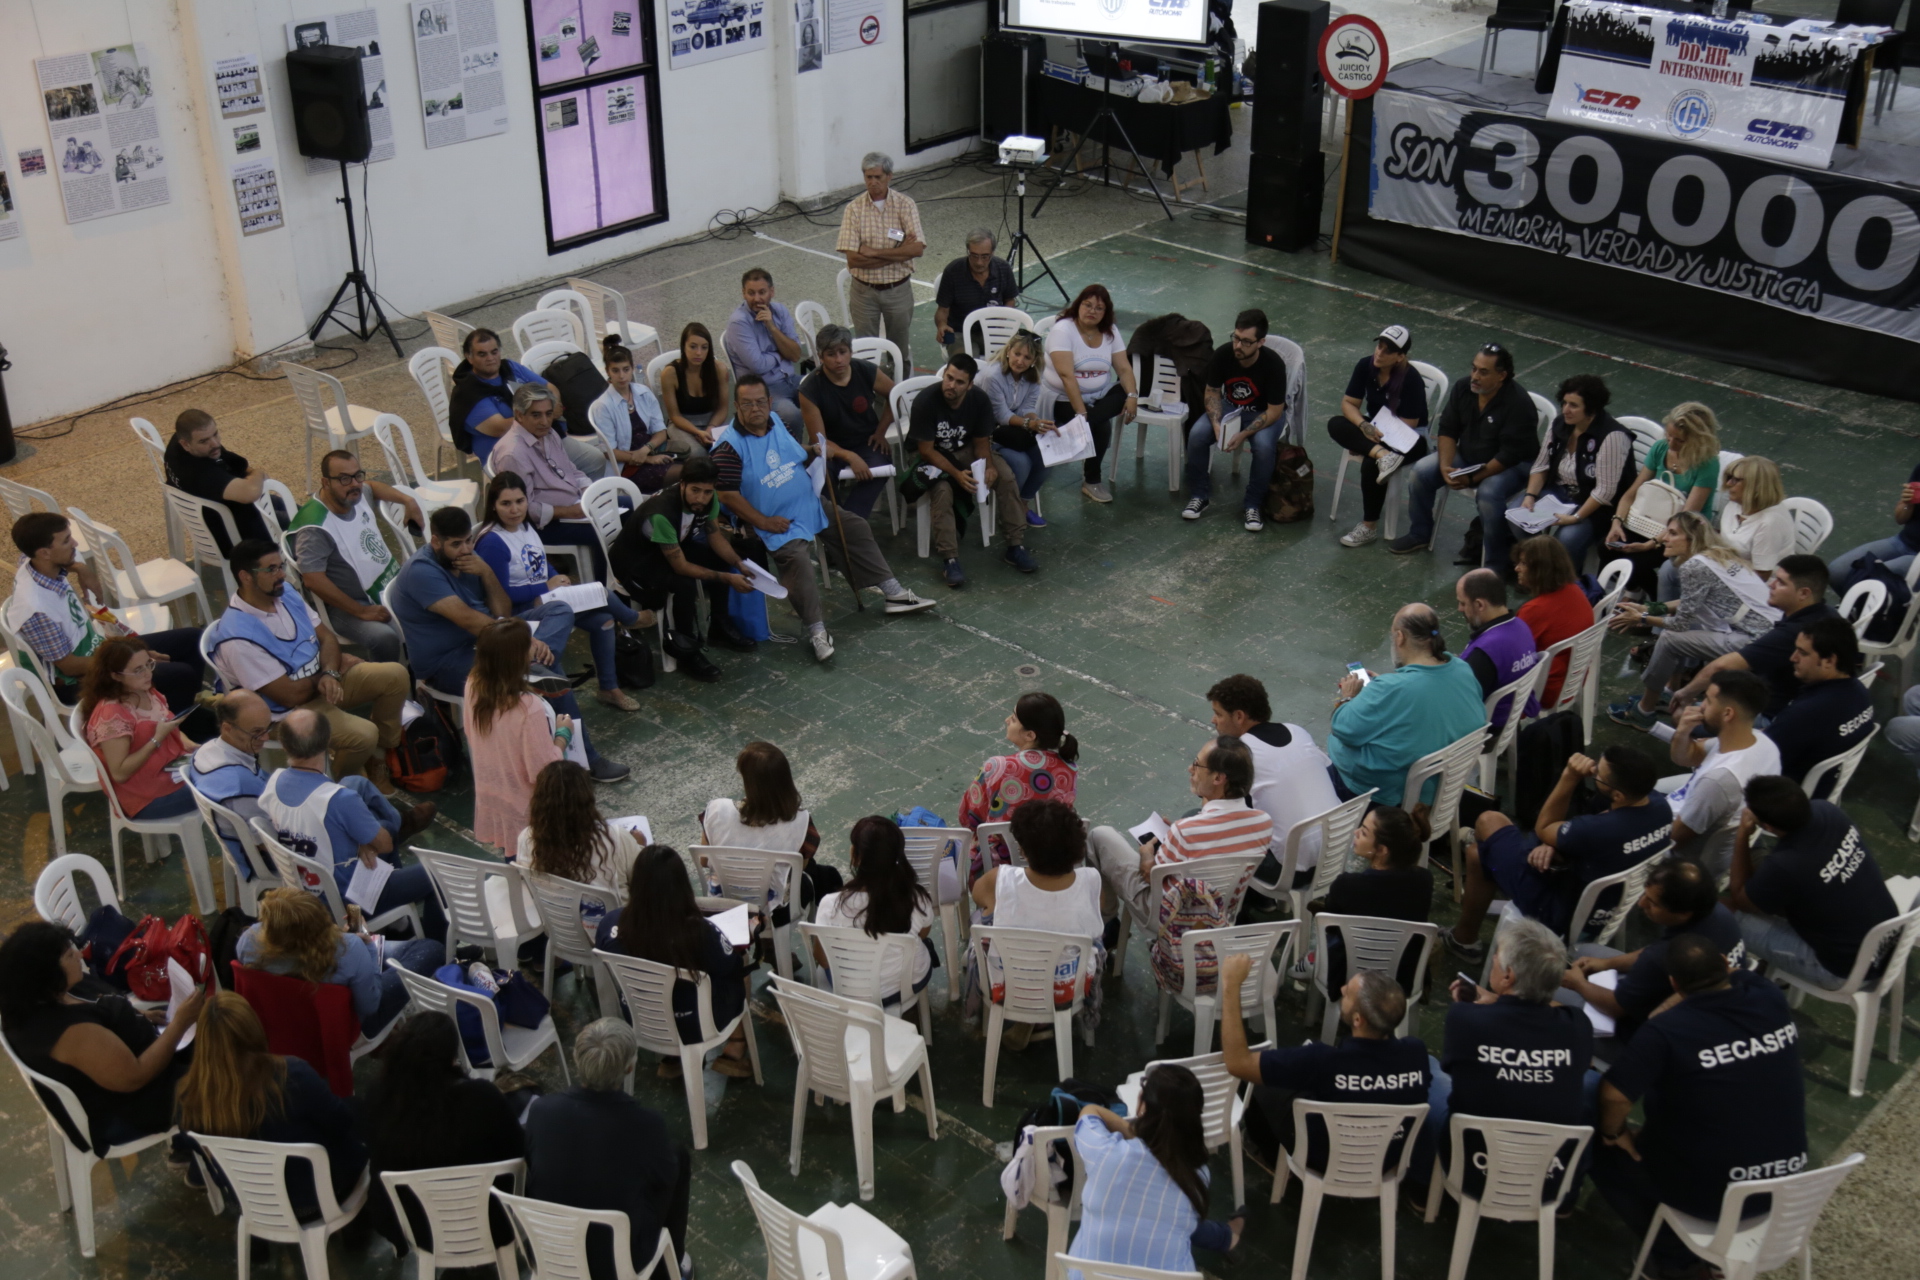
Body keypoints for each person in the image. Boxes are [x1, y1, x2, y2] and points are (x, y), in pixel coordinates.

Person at [1592, 935, 1807, 1279]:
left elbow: (1614, 1096)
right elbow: (1737, 973)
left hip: (1713, 1200)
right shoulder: (1767, 996)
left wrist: (1613, 1133)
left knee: (1598, 1143)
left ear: (1674, 984)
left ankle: (1673, 1257)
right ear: (1724, 962)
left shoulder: (1665, 1032)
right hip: (1790, 1190)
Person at [390, 508, 626, 782]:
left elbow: (501, 613)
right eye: (456, 544)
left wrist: (487, 573)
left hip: (489, 641)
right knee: (555, 679)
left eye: (468, 541)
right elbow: (469, 621)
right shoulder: (422, 572)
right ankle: (586, 761)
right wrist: (520, 642)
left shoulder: (470, 559)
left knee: (559, 610)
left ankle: (534, 666)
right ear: (435, 542)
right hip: (447, 661)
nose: (465, 549)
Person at [713, 376, 934, 660]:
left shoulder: (777, 422)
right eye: (747, 404)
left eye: (759, 402)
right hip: (776, 522)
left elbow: (794, 454)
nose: (755, 409)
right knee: (798, 561)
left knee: (854, 526)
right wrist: (764, 522)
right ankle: (816, 630)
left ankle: (893, 593)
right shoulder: (728, 448)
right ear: (736, 406)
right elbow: (727, 496)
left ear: (769, 402)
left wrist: (814, 450)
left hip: (809, 503)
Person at [205, 538, 409, 789]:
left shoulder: (285, 593)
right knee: (363, 734)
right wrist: (329, 672)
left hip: (320, 681)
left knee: (395, 675)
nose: (281, 574)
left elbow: (327, 638)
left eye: (281, 566)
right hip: (285, 712)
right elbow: (289, 696)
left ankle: (377, 757)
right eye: (271, 569)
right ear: (245, 577)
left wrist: (331, 672)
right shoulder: (237, 639)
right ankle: (340, 786)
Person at [1448, 747, 1671, 963]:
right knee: (1477, 853)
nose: (1593, 772)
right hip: (1607, 905)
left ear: (1618, 795)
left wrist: (1570, 776)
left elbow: (1543, 828)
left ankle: (1465, 938)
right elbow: (1594, 830)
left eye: (1599, 775)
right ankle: (1463, 938)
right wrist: (1556, 842)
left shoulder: (1595, 830)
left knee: (1488, 822)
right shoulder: (1661, 808)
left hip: (1558, 911)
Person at [0, 920, 204, 1152]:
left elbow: (97, 1007)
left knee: (215, 1034)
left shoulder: (52, 992)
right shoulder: (70, 1033)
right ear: (46, 974)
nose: (79, 955)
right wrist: (179, 1024)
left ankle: (188, 1145)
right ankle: (206, 1155)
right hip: (136, 1104)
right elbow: (134, 1077)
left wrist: (141, 1015)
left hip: (138, 1055)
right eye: (69, 955)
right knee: (225, 1080)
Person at [1418, 919, 1592, 1192]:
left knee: (1425, 1068)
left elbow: (1456, 1074)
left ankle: (1421, 1186)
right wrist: (1499, 1000)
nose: (1494, 958)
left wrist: (1487, 1005)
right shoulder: (1577, 1025)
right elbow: (1549, 1010)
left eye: (1497, 955)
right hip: (1547, 1173)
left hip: (1474, 1165)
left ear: (1508, 976)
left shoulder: (1466, 1019)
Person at [1220, 954, 1429, 1172]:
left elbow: (1238, 1063)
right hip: (1386, 1159)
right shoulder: (1416, 1053)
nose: (1342, 990)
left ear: (1358, 1019)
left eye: (1348, 993)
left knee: (1257, 1083)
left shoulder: (1323, 1061)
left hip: (1328, 1160)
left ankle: (1269, 1155)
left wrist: (1231, 985)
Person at [524, 1017, 694, 1280]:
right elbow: (664, 1180)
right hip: (618, 1260)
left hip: (548, 1247)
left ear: (577, 1059)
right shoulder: (646, 1124)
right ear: (629, 1068)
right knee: (677, 1158)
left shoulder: (541, 1111)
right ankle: (672, 1264)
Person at [176, 990, 366, 1215]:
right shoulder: (292, 1076)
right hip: (320, 1198)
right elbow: (341, 1123)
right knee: (360, 1109)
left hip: (250, 1201)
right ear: (253, 1028)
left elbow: (198, 1149)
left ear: (203, 1040)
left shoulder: (188, 1094)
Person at [260, 708, 444, 939]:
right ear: (328, 742)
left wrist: (360, 842)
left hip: (308, 891)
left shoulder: (273, 782)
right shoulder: (339, 799)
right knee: (439, 872)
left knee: (360, 790)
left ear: (284, 746)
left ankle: (399, 925)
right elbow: (385, 845)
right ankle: (437, 948)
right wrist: (365, 840)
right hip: (351, 905)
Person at [474, 470, 644, 712]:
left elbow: (541, 564)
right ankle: (632, 619)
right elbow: (501, 598)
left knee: (604, 620)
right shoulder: (492, 542)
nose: (515, 510)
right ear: (493, 505)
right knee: (602, 594)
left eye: (520, 501)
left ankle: (608, 688)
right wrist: (545, 586)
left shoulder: (525, 527)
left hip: (546, 600)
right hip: (521, 613)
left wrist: (557, 578)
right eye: (506, 504)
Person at [362, 1012, 526, 1256]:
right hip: (492, 1224)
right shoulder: (481, 1098)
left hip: (418, 1228)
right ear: (450, 1058)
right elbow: (518, 1153)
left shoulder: (378, 1097)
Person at [8, 512, 208, 712]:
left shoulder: (33, 561)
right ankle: (175, 722)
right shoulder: (36, 610)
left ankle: (184, 705)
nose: (75, 543)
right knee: (181, 674)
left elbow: (42, 555)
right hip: (75, 682)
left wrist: (81, 569)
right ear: (44, 553)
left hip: (98, 651)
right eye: (66, 541)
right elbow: (69, 667)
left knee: (194, 639)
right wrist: (135, 660)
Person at [1726, 775, 1898, 990]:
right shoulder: (1828, 810)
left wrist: (1743, 833)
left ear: (1768, 827)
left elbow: (1740, 898)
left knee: (1723, 911)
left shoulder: (1785, 864)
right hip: (1889, 941)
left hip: (1844, 971)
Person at [596, 846, 755, 1079]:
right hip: (695, 1025)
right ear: (682, 887)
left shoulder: (610, 923)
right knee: (741, 964)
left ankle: (673, 1058)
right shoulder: (700, 932)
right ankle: (737, 1045)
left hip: (641, 1019)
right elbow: (731, 968)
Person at [1605, 513, 1774, 731]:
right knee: (1680, 633)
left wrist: (1642, 618)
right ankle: (1669, 693)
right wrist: (1650, 608)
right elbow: (1690, 603)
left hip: (1753, 641)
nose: (1665, 538)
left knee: (1669, 638)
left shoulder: (1694, 567)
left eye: (1673, 533)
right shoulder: (1719, 555)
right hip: (1768, 634)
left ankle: (1644, 711)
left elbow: (1680, 624)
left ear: (1692, 538)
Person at [1068, 1065, 1242, 1274]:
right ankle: (1230, 1235)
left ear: (1142, 1104)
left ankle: (1228, 1235)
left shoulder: (1106, 1152)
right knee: (1179, 1223)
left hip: (1087, 1276)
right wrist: (1159, 1146)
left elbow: (1089, 1111)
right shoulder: (1198, 1176)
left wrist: (1138, 1136)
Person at [1088, 736, 1273, 923]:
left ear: (1218, 778)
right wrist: (1174, 839)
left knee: (1099, 835)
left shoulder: (1186, 830)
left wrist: (1147, 856)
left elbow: (1151, 877)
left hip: (1172, 919)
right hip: (1222, 911)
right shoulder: (1263, 823)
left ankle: (1107, 921)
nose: (1190, 769)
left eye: (1197, 765)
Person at [1560, 859, 1745, 1044]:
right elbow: (1655, 950)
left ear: (1683, 913)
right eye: (1645, 894)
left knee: (1553, 989)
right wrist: (1606, 964)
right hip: (1700, 1007)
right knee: (1585, 950)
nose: (1641, 904)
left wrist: (1577, 983)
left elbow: (1616, 1007)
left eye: (1653, 903)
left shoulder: (1662, 957)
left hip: (1650, 1034)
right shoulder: (1717, 913)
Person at [608, 455, 758, 681]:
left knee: (721, 560)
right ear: (683, 484)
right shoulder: (661, 514)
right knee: (684, 584)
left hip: (668, 550)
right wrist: (727, 578)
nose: (701, 498)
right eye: (695, 490)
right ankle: (687, 651)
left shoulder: (709, 500)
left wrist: (738, 563)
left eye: (707, 492)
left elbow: (715, 537)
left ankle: (719, 625)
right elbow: (680, 567)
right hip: (636, 565)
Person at [1390, 342, 1538, 569]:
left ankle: (1495, 563)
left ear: (1502, 376)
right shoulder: (1463, 388)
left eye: (1484, 372)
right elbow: (1448, 430)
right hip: (1471, 455)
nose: (1475, 376)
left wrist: (1473, 478)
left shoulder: (1518, 403)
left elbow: (1509, 455)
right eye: (1474, 368)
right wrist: (1445, 467)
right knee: (1421, 472)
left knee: (1488, 494)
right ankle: (1420, 533)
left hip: (1511, 465)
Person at [1327, 603, 1487, 806]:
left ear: (1400, 637)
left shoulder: (1392, 689)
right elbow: (1423, 696)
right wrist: (1385, 686)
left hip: (1380, 793)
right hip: (1442, 784)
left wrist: (1348, 696)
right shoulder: (1462, 668)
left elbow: (1343, 728)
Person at [236, 886, 441, 1037]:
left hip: (282, 1019)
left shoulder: (249, 941)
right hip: (351, 1025)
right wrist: (369, 946)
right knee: (431, 949)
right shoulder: (348, 949)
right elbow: (370, 1005)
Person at [970, 798, 1105, 1026]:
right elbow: (1097, 911)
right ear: (1077, 847)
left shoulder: (1000, 879)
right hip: (1067, 992)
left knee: (981, 917)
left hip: (1008, 989)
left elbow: (977, 896)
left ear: (1023, 850)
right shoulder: (1092, 881)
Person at [909, 353, 1035, 586]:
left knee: (1005, 476)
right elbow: (926, 451)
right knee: (943, 491)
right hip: (933, 455)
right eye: (949, 378)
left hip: (966, 449)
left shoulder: (979, 400)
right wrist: (957, 474)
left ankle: (1015, 545)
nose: (951, 385)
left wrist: (989, 466)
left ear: (969, 385)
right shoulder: (925, 402)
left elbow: (981, 442)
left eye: (959, 382)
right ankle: (950, 559)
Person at [1664, 555, 1836, 724]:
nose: (1771, 585)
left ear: (1804, 593)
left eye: (1781, 582)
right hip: (1796, 701)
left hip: (1773, 715)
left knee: (1682, 716)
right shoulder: (1827, 613)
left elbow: (1722, 666)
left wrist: (1684, 694)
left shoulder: (1794, 632)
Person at [1205, 674, 1340, 888]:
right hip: (1336, 851)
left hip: (1290, 871)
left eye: (1218, 714)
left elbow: (1226, 817)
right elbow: (1331, 776)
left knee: (1207, 827)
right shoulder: (1297, 731)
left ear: (1239, 716)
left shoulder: (1241, 755)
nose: (1214, 720)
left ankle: (1248, 901)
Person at [288, 449, 422, 663]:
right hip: (345, 606)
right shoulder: (315, 528)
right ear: (325, 482)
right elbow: (313, 579)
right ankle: (389, 681)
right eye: (344, 478)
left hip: (387, 586)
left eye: (358, 475)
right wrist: (360, 611)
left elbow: (372, 487)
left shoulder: (354, 495)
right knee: (385, 637)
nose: (354, 484)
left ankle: (421, 672)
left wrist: (408, 500)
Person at [699, 740, 843, 924]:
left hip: (723, 901)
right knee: (824, 875)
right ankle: (818, 931)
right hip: (773, 909)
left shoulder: (716, 811)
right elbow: (801, 867)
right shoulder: (800, 821)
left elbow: (704, 861)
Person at [1661, 670, 1781, 876]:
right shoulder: (1761, 742)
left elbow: (1673, 840)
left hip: (1681, 859)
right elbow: (1686, 757)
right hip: (1693, 807)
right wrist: (1682, 732)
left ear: (1727, 714)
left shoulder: (1718, 782)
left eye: (1708, 700)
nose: (1701, 706)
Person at [1511, 374, 1636, 569]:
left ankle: (1565, 580)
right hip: (1559, 492)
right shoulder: (1561, 424)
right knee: (1516, 516)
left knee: (1566, 540)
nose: (1565, 410)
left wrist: (1576, 518)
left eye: (1574, 405)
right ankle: (1539, 570)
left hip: (1594, 505)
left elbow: (1605, 491)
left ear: (1591, 408)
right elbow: (1541, 465)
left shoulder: (1612, 436)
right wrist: (1530, 495)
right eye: (1564, 403)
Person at [1180, 308, 1290, 531]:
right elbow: (1212, 391)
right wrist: (1216, 425)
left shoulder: (1274, 364)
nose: (1238, 346)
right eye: (1236, 338)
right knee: (1197, 434)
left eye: (1246, 342)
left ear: (1260, 342)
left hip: (1264, 412)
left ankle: (1253, 504)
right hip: (1230, 407)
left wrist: (1243, 434)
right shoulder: (1223, 354)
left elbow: (1275, 411)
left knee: (1264, 447)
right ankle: (1199, 495)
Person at [811, 816, 934, 1005]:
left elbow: (823, 959)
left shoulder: (830, 905)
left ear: (855, 856)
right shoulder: (917, 899)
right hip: (906, 985)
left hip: (850, 990)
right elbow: (923, 934)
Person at [1605, 402, 1722, 597]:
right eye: (1669, 436)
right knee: (1607, 549)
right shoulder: (1660, 448)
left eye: (1680, 441)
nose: (1671, 444)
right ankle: (1634, 589)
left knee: (1637, 563)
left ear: (1697, 440)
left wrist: (1650, 544)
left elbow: (1685, 517)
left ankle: (1655, 603)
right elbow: (1632, 492)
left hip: (1685, 531)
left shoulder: (1707, 464)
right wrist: (1616, 522)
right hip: (1651, 520)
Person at [1329, 324, 1431, 548]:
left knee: (1370, 464)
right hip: (1376, 427)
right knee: (1336, 424)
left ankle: (1369, 527)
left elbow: (1409, 424)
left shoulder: (1411, 379)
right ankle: (1383, 456)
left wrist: (1368, 441)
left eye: (1387, 350)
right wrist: (1364, 426)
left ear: (1400, 356)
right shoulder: (1365, 365)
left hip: (1409, 436)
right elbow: (1349, 403)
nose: (1379, 353)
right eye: (1379, 346)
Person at [487, 384, 609, 570]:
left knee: (628, 507)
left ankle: (627, 577)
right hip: (543, 524)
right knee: (602, 530)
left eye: (549, 414)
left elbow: (572, 471)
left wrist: (588, 494)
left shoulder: (549, 434)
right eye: (536, 415)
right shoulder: (513, 454)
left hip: (576, 506)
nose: (544, 421)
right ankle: (604, 584)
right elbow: (522, 509)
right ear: (519, 415)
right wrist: (571, 512)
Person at [960, 692, 1080, 878]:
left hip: (1001, 865)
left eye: (1014, 719)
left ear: (1030, 735)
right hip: (1052, 860)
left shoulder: (997, 766)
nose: (1007, 720)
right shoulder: (1069, 769)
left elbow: (970, 817)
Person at [1316, 806, 1433, 993]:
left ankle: (1307, 965)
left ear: (1382, 850)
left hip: (1348, 977)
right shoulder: (1425, 880)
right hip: (1401, 977)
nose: (1355, 833)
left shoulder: (1347, 885)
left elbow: (1331, 930)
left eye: (1363, 832)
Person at [80, 639, 198, 820]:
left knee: (228, 764)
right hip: (146, 798)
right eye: (137, 670)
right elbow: (119, 773)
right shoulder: (112, 715)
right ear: (116, 676)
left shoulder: (144, 690)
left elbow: (167, 725)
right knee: (231, 782)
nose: (147, 673)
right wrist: (156, 740)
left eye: (148, 664)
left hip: (170, 771)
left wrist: (188, 743)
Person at [1042, 284, 1138, 504]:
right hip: (1063, 397)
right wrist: (1082, 415)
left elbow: (1124, 369)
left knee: (1121, 393)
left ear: (1106, 312)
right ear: (1078, 305)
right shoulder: (1063, 331)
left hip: (1098, 394)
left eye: (1099, 308)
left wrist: (1133, 396)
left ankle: (1085, 427)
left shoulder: (1110, 331)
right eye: (1087, 305)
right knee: (1100, 426)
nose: (1092, 311)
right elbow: (1067, 376)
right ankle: (1092, 481)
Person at [519, 761, 643, 924]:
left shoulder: (526, 838)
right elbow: (643, 881)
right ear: (587, 798)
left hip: (561, 931)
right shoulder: (615, 838)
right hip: (615, 932)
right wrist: (640, 845)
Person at [836, 151, 925, 375]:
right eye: (869, 177)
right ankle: (869, 389)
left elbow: (917, 249)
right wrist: (898, 252)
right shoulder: (853, 209)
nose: (873, 182)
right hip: (864, 293)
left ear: (889, 176)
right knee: (866, 350)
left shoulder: (905, 205)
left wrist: (873, 253)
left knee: (899, 349)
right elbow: (853, 260)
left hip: (898, 290)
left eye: (878, 177)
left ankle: (901, 389)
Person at [1764, 618, 1875, 795]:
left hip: (1782, 794)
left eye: (1803, 653)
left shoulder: (1806, 713)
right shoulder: (1860, 692)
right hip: (1822, 786)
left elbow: (1759, 757)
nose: (1793, 658)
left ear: (1829, 661)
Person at [799, 324, 895, 520]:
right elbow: (819, 441)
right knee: (820, 471)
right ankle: (840, 522)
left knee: (881, 465)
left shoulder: (866, 370)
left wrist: (880, 432)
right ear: (821, 357)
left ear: (850, 352)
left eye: (842, 352)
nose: (838, 359)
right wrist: (850, 456)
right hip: (830, 447)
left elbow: (895, 396)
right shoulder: (810, 389)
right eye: (831, 354)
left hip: (866, 441)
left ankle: (847, 523)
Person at [163, 409, 280, 552]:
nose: (215, 444)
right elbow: (250, 493)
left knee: (291, 508)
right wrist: (258, 473)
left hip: (222, 513)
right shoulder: (201, 473)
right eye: (204, 441)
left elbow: (238, 465)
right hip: (235, 533)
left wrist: (250, 474)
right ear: (185, 444)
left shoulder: (180, 443)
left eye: (215, 434)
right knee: (302, 525)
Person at [186, 690, 274, 876]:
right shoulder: (239, 783)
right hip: (260, 859)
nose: (266, 738)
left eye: (268, 727)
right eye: (257, 732)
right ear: (227, 728)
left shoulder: (205, 750)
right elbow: (266, 843)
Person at [447, 327, 558, 466]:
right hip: (509, 457)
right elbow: (500, 428)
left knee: (585, 461)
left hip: (546, 441)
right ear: (469, 357)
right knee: (565, 476)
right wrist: (547, 413)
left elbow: (551, 389)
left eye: (494, 352)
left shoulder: (510, 367)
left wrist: (547, 411)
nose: (490, 358)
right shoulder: (468, 392)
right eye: (482, 354)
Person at [976, 330, 1055, 527]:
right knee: (1022, 463)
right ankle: (1010, 508)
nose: (1020, 361)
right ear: (1008, 350)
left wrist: (1038, 421)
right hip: (986, 435)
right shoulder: (992, 376)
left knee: (1048, 458)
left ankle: (1021, 504)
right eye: (1017, 354)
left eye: (1027, 357)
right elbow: (1002, 415)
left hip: (1010, 433)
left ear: (1034, 360)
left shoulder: (1033, 378)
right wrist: (1031, 424)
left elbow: (1027, 408)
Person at [1456, 567, 1544, 729]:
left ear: (1479, 605)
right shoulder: (1522, 627)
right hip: (1512, 719)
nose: (1459, 609)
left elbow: (1460, 705)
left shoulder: (1484, 654)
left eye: (1463, 603)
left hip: (1487, 731)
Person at [1512, 535, 1594, 706]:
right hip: (1574, 680)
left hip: (1544, 690)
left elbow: (1512, 657)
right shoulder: (1575, 590)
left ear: (1541, 569)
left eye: (1524, 563)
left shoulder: (1534, 610)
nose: (1517, 568)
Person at [588, 338, 677, 492]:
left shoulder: (644, 393)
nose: (622, 376)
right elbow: (610, 452)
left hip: (653, 451)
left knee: (695, 466)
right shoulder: (603, 406)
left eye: (626, 369)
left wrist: (646, 450)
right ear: (608, 372)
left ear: (633, 369)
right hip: (628, 467)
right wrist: (647, 459)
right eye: (615, 371)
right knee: (688, 474)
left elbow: (661, 431)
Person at [721, 268, 804, 428]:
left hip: (789, 379)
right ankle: (794, 445)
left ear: (771, 292)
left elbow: (795, 355)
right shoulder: (738, 323)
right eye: (751, 293)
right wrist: (780, 354)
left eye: (762, 292)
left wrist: (772, 327)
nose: (757, 298)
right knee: (791, 414)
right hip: (762, 390)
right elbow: (758, 365)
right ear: (743, 293)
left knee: (825, 389)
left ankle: (825, 441)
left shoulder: (780, 311)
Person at [1827, 459, 1920, 585]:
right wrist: (1908, 504)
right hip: (1903, 542)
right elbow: (1900, 519)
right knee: (1837, 572)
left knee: (1868, 582)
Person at [933, 228, 1018, 357]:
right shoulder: (953, 271)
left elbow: (1010, 300)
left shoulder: (1003, 268)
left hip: (993, 331)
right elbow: (942, 309)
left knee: (1015, 358)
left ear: (993, 252)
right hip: (959, 332)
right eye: (974, 256)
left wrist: (1003, 317)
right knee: (965, 363)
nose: (979, 262)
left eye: (985, 256)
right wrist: (942, 325)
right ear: (968, 251)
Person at [658, 321, 730, 458]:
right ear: (683, 346)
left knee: (728, 451)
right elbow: (674, 415)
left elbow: (722, 409)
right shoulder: (670, 374)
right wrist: (697, 432)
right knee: (698, 454)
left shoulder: (719, 369)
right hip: (682, 424)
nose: (698, 353)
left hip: (712, 420)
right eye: (693, 347)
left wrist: (711, 428)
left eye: (704, 348)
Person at [1718, 456, 1796, 573]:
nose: (1728, 483)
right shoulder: (1735, 504)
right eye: (1729, 477)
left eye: (1736, 480)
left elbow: (1762, 575)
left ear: (1756, 486)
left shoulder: (1769, 524)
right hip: (1729, 566)